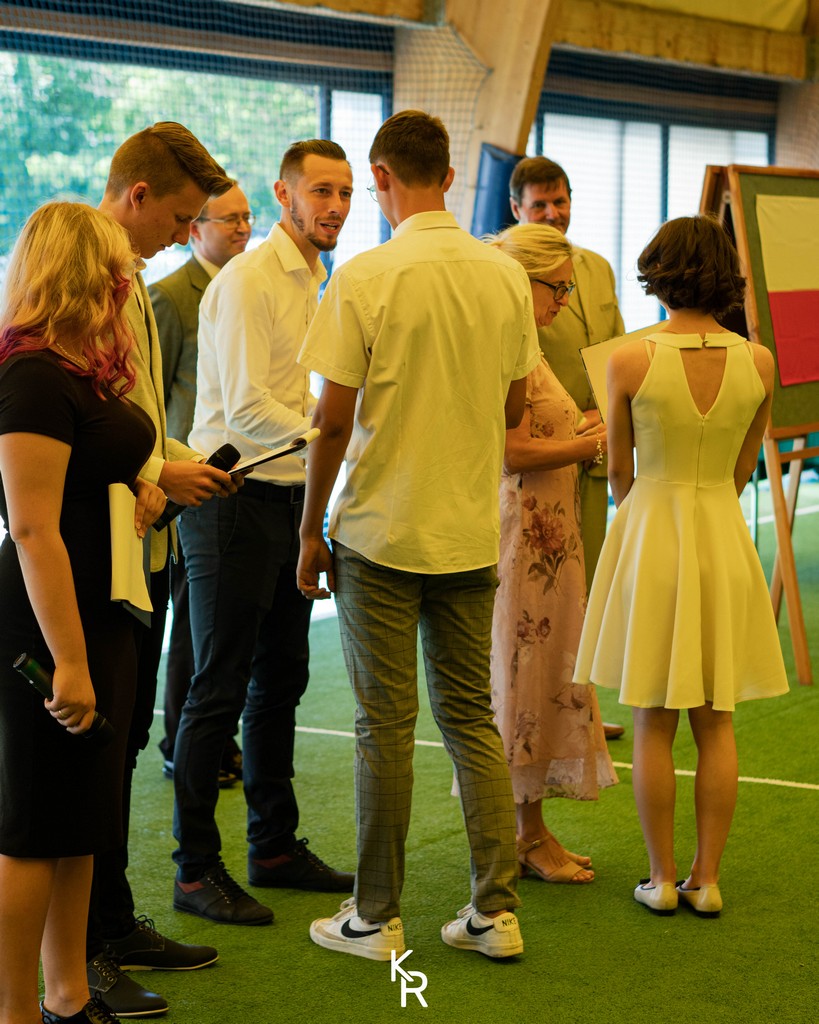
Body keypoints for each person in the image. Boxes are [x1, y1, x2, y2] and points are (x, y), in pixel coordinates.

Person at [297, 110, 540, 962]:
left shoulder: (364, 275)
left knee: (384, 727)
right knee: (471, 717)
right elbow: (513, 406)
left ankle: (373, 917)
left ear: (380, 177)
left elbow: (331, 424)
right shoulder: (503, 274)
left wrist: (308, 531)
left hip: (378, 531)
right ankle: (493, 913)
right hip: (468, 531)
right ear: (450, 174)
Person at [573, 215, 790, 916]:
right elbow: (744, 467)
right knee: (716, 720)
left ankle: (661, 879)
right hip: (720, 531)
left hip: (652, 531)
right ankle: (708, 879)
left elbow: (617, 470)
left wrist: (650, 507)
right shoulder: (759, 361)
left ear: (657, 275)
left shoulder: (627, 359)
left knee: (652, 719)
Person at [171, 139, 355, 926]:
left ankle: (273, 848)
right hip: (230, 498)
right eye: (321, 191)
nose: (335, 206)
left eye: (345, 192)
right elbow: (248, 411)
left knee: (281, 680)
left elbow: (300, 402)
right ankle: (193, 872)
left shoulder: (315, 278)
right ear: (285, 195)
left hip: (287, 499)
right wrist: (342, 440)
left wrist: (332, 438)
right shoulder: (249, 279)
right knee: (216, 689)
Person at [0, 201, 166, 1024]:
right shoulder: (32, 375)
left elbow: (86, 472)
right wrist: (67, 660)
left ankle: (67, 995)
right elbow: (33, 527)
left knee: (83, 819)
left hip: (103, 615)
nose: (125, 282)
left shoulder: (76, 369)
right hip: (50, 623)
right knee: (35, 826)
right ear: (76, 273)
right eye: (113, 269)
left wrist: (138, 487)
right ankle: (15, 1011)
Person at [88, 122, 239, 1017]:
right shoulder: (75, 280)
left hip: (137, 549)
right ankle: (80, 954)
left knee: (123, 748)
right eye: (181, 218)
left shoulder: (131, 280)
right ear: (137, 196)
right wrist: (157, 469)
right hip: (93, 554)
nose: (187, 235)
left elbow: (134, 412)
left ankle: (112, 923)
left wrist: (180, 464)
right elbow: (65, 424)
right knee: (87, 763)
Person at [486, 223, 619, 886]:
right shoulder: (504, 344)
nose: (564, 302)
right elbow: (512, 452)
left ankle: (529, 830)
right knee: (525, 683)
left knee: (544, 677)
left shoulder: (528, 346)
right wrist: (593, 443)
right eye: (557, 288)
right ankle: (525, 835)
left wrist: (589, 428)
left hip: (550, 537)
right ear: (520, 280)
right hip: (523, 539)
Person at [510, 156, 625, 741]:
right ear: (517, 210)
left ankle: (581, 710)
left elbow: (617, 351)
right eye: (540, 205)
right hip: (536, 452)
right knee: (535, 593)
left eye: (561, 201)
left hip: (593, 449)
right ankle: (536, 716)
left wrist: (605, 416)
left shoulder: (597, 267)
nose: (554, 213)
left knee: (586, 586)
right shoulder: (509, 279)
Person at [149, 181, 253, 787]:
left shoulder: (247, 288)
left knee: (226, 625)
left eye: (247, 217)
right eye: (228, 219)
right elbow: (150, 401)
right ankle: (180, 743)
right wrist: (168, 476)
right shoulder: (169, 297)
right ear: (194, 229)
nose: (243, 228)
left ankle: (219, 741)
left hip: (237, 479)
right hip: (186, 483)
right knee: (192, 622)